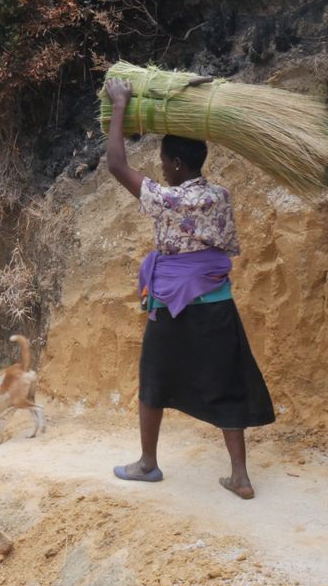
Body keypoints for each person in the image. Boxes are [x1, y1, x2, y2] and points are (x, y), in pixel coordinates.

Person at [104, 78, 274, 499]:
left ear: (177, 163)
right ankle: (240, 476)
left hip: (172, 306)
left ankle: (147, 463)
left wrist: (120, 105)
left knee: (154, 377)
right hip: (217, 305)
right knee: (226, 381)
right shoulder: (221, 195)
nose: (161, 168)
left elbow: (115, 164)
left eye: (164, 161)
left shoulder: (166, 198)